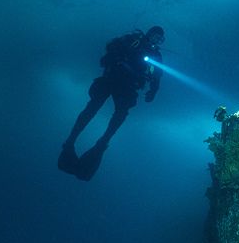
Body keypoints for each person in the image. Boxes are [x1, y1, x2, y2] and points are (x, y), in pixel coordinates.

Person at [58, 26, 165, 180]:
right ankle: (71, 140)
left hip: (128, 86)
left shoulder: (155, 55)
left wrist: (153, 91)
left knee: (120, 114)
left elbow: (157, 76)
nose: (157, 40)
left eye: (160, 39)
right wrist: (119, 58)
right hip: (112, 77)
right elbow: (111, 46)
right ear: (149, 34)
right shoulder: (133, 40)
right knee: (93, 106)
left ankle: (103, 141)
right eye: (156, 36)